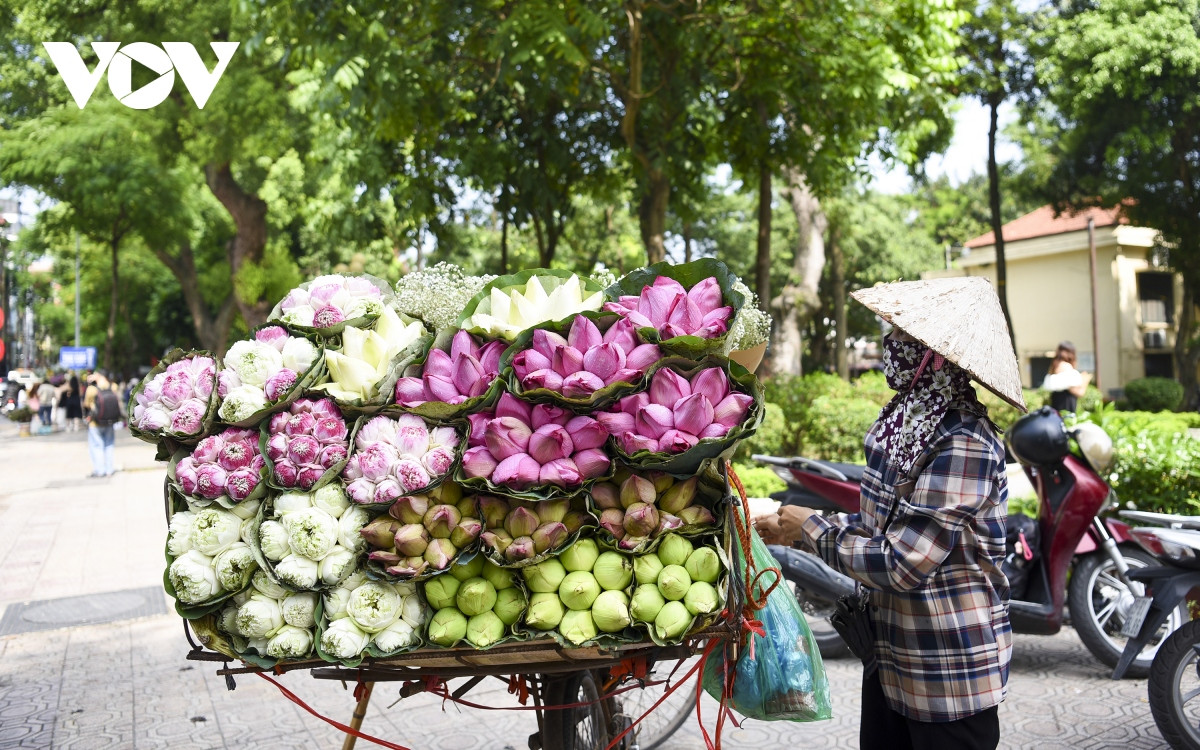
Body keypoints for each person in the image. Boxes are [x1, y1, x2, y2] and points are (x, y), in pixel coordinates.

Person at [755, 277, 1024, 750]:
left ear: (934, 357)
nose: (890, 344)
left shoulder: (965, 442)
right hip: (890, 662)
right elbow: (877, 530)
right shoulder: (904, 422)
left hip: (947, 678)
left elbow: (902, 562)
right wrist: (794, 531)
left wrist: (812, 529)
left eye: (903, 337)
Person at [83, 372, 120, 477]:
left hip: (95, 423)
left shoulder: (91, 389)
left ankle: (100, 470)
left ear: (98, 376)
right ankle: (109, 470)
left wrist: (89, 383)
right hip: (110, 421)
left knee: (96, 446)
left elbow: (86, 403)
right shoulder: (113, 386)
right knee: (109, 444)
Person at [1042, 341, 1090, 414]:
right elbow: (1078, 392)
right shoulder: (1065, 366)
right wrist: (1085, 380)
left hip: (1057, 402)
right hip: (1066, 404)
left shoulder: (1055, 365)